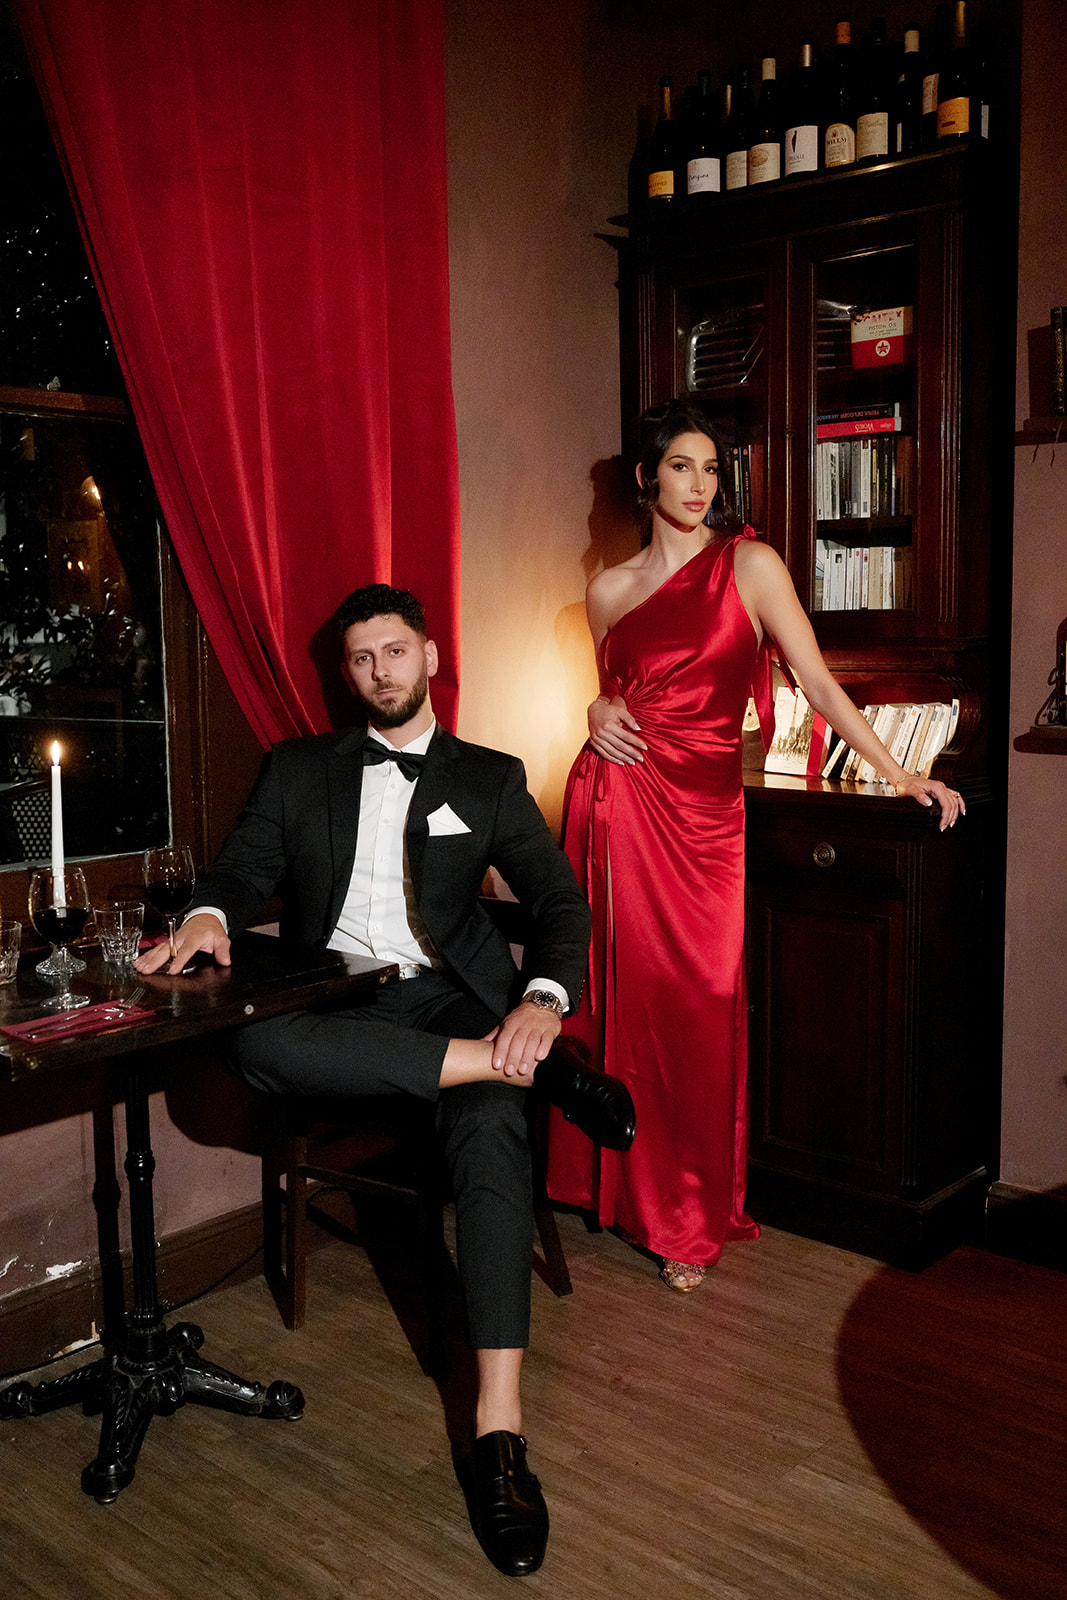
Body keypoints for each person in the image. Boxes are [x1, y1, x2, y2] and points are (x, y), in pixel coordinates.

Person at [136, 582, 635, 1579]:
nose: (379, 671)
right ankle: (527, 1073)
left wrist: (541, 999)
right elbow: (239, 870)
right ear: (347, 671)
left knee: (489, 1125)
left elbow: (558, 902)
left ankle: (498, 1435)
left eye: (394, 651)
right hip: (337, 1005)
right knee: (251, 1045)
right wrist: (208, 915)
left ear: (430, 656)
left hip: (450, 1000)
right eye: (361, 658)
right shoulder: (298, 769)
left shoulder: (488, 776)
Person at [547, 400, 964, 1294]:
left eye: (710, 470)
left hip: (703, 820)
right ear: (645, 478)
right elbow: (615, 695)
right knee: (623, 1001)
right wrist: (593, 711)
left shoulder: (751, 564)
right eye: (681, 467)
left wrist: (902, 774)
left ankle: (684, 1210)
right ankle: (617, 1191)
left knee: (697, 1006)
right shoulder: (608, 590)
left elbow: (817, 684)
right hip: (617, 808)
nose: (700, 485)